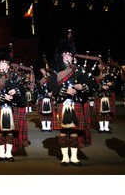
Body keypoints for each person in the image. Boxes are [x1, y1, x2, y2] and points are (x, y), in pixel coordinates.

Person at [48, 33, 97, 166]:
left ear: (72, 56)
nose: (67, 57)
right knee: (64, 132)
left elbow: (92, 83)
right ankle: (65, 157)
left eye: (69, 55)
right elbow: (51, 84)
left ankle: (74, 157)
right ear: (61, 57)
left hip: (75, 103)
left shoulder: (78, 70)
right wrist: (65, 90)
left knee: (74, 131)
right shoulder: (56, 71)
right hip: (62, 104)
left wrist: (82, 86)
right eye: (64, 55)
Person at [0, 45, 28, 162]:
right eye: (1, 64)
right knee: (0, 132)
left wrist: (16, 91)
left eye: (5, 64)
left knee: (10, 132)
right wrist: (3, 96)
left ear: (8, 66)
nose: (3, 66)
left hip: (11, 107)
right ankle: (1, 153)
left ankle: (9, 153)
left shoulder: (15, 77)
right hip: (0, 106)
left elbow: (23, 90)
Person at [35, 59, 55, 132]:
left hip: (49, 97)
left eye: (44, 70)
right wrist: (45, 93)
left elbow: (52, 86)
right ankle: (44, 127)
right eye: (42, 70)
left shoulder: (50, 77)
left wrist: (51, 92)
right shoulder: (39, 79)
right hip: (42, 97)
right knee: (42, 114)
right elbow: (39, 88)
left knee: (49, 113)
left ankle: (49, 127)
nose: (43, 71)